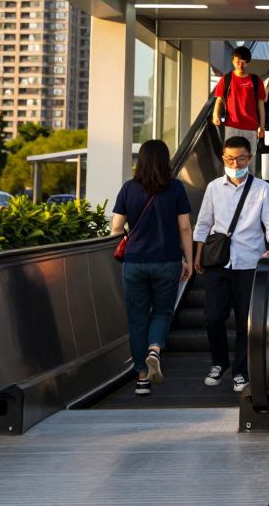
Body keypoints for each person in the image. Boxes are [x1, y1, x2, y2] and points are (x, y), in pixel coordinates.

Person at [192, 136, 269, 392]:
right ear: (223, 159)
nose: (235, 163)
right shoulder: (213, 188)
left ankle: (241, 371)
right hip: (218, 262)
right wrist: (198, 253)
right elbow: (203, 223)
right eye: (230, 159)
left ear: (250, 158)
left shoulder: (262, 189)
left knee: (246, 321)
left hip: (249, 263)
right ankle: (219, 362)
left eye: (241, 158)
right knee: (213, 318)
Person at [110, 139, 194, 397]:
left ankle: (142, 380)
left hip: (134, 262)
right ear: (165, 160)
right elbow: (185, 228)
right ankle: (155, 350)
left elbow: (115, 227)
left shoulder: (128, 188)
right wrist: (189, 260)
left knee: (137, 320)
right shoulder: (176, 188)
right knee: (162, 312)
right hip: (167, 260)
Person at [212, 46, 266, 172]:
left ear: (248, 63)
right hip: (232, 125)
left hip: (251, 126)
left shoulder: (255, 80)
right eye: (237, 61)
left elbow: (260, 104)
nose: (240, 64)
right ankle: (230, 185)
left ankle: (249, 185)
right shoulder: (226, 79)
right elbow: (219, 100)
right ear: (232, 61)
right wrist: (216, 115)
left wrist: (262, 126)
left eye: (243, 62)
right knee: (230, 157)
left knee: (250, 158)